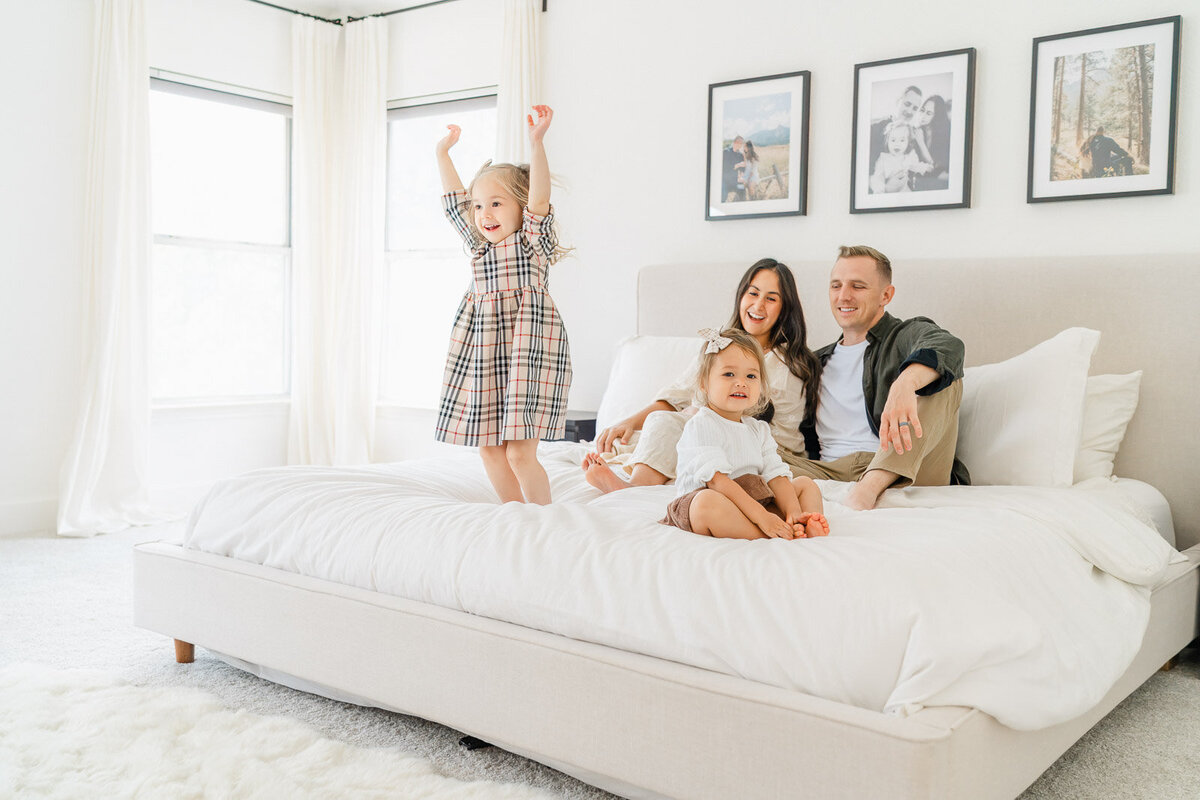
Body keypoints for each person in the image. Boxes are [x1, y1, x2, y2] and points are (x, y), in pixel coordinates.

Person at [582, 258, 820, 492]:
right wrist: (628, 422)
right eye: (753, 293)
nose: (758, 306)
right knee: (646, 429)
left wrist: (698, 413)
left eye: (771, 299)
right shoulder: (720, 345)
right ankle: (639, 478)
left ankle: (633, 488)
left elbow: (764, 420)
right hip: (704, 429)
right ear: (741, 296)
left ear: (785, 307)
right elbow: (677, 395)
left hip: (758, 444)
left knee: (672, 426)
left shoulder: (789, 362)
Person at [434, 105, 572, 505]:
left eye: (496, 203)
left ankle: (545, 520)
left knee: (518, 451)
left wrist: (537, 143)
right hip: (484, 350)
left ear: (519, 205)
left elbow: (540, 197)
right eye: (479, 205)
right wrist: (443, 154)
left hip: (529, 350)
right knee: (489, 448)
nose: (483, 214)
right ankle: (516, 516)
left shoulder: (531, 244)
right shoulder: (479, 247)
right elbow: (452, 203)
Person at [784, 245, 969, 511]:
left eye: (858, 286)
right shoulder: (813, 363)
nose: (844, 296)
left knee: (944, 377)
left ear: (886, 295)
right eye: (836, 286)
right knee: (750, 446)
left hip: (906, 467)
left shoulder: (904, 335)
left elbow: (948, 346)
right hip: (830, 471)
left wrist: (905, 383)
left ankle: (869, 488)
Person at [660, 328, 829, 540]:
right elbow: (718, 482)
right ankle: (766, 533)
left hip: (753, 500)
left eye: (751, 376)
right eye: (729, 374)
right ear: (704, 383)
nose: (741, 382)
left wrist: (793, 511)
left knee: (805, 484)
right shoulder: (702, 424)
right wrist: (762, 518)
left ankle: (799, 524)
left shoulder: (758, 429)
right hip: (710, 500)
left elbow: (775, 475)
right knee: (707, 504)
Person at [868, 85, 922, 167]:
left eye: (915, 108)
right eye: (907, 104)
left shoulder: (915, 135)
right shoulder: (874, 128)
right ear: (898, 101)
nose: (909, 111)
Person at [911, 95, 950, 191]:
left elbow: (935, 167)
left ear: (936, 116)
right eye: (922, 110)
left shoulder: (944, 134)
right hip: (920, 177)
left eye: (929, 113)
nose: (923, 116)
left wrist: (921, 142)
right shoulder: (917, 130)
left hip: (937, 177)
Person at [869, 123, 919, 194]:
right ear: (887, 141)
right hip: (890, 192)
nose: (897, 144)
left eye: (902, 140)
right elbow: (877, 176)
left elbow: (917, 167)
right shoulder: (884, 158)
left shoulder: (909, 157)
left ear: (908, 142)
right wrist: (880, 189)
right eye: (893, 140)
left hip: (905, 192)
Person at [722, 136, 746, 202]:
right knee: (723, 197)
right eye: (739, 143)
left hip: (735, 181)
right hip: (724, 181)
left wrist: (741, 176)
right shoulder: (726, 152)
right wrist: (738, 165)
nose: (740, 145)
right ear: (734, 142)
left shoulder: (740, 155)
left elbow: (742, 169)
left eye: (741, 143)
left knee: (743, 192)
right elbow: (725, 167)